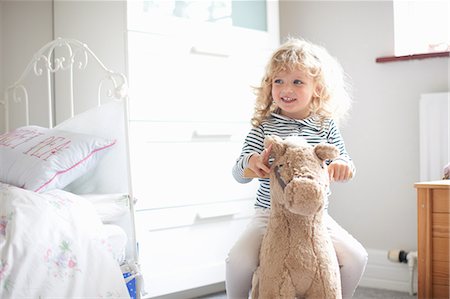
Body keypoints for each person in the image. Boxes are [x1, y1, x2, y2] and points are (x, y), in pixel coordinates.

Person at [226, 37, 368, 299]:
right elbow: (238, 171)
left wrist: (342, 166)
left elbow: (345, 161)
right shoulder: (264, 126)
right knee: (238, 261)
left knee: (357, 257)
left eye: (297, 81)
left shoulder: (325, 126)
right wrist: (252, 163)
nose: (285, 89)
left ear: (317, 88)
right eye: (278, 81)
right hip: (268, 215)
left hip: (314, 218)